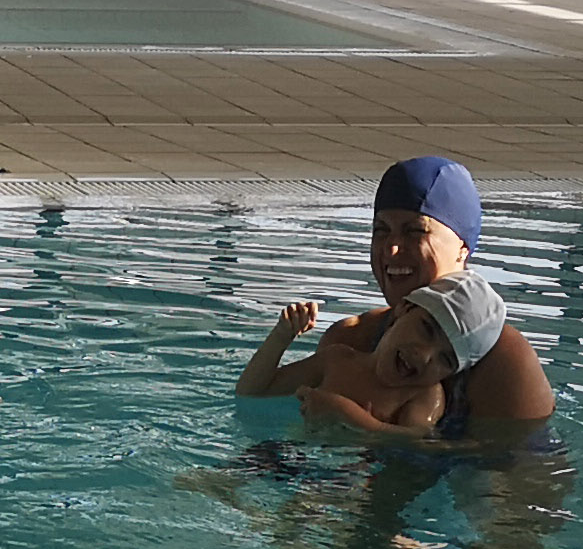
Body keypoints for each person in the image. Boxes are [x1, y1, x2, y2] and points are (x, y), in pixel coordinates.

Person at [230, 156, 553, 438]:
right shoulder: (350, 337)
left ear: (463, 248)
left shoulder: (504, 360)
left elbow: (525, 479)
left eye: (415, 231)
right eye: (381, 230)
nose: (392, 249)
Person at [245, 271, 506, 438]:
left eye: (446, 360)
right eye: (427, 329)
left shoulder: (423, 394)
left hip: (348, 482)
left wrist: (348, 414)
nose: (425, 356)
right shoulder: (336, 360)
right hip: (288, 456)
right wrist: (281, 336)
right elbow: (251, 392)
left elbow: (417, 441)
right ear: (403, 309)